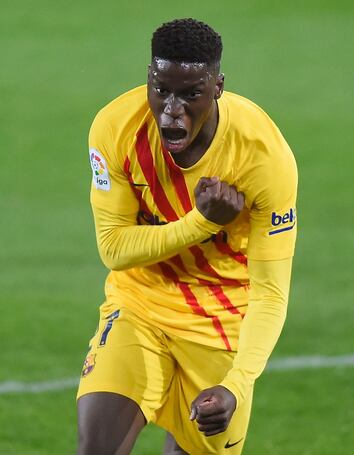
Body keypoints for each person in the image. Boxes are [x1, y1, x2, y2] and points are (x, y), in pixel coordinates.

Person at [77, 18, 297, 455]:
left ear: (217, 87)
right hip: (139, 301)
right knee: (95, 448)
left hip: (222, 320)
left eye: (190, 94)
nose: (171, 110)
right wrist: (202, 222)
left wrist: (235, 385)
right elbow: (114, 248)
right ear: (149, 79)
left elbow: (271, 293)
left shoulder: (262, 156)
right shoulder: (116, 128)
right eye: (161, 89)